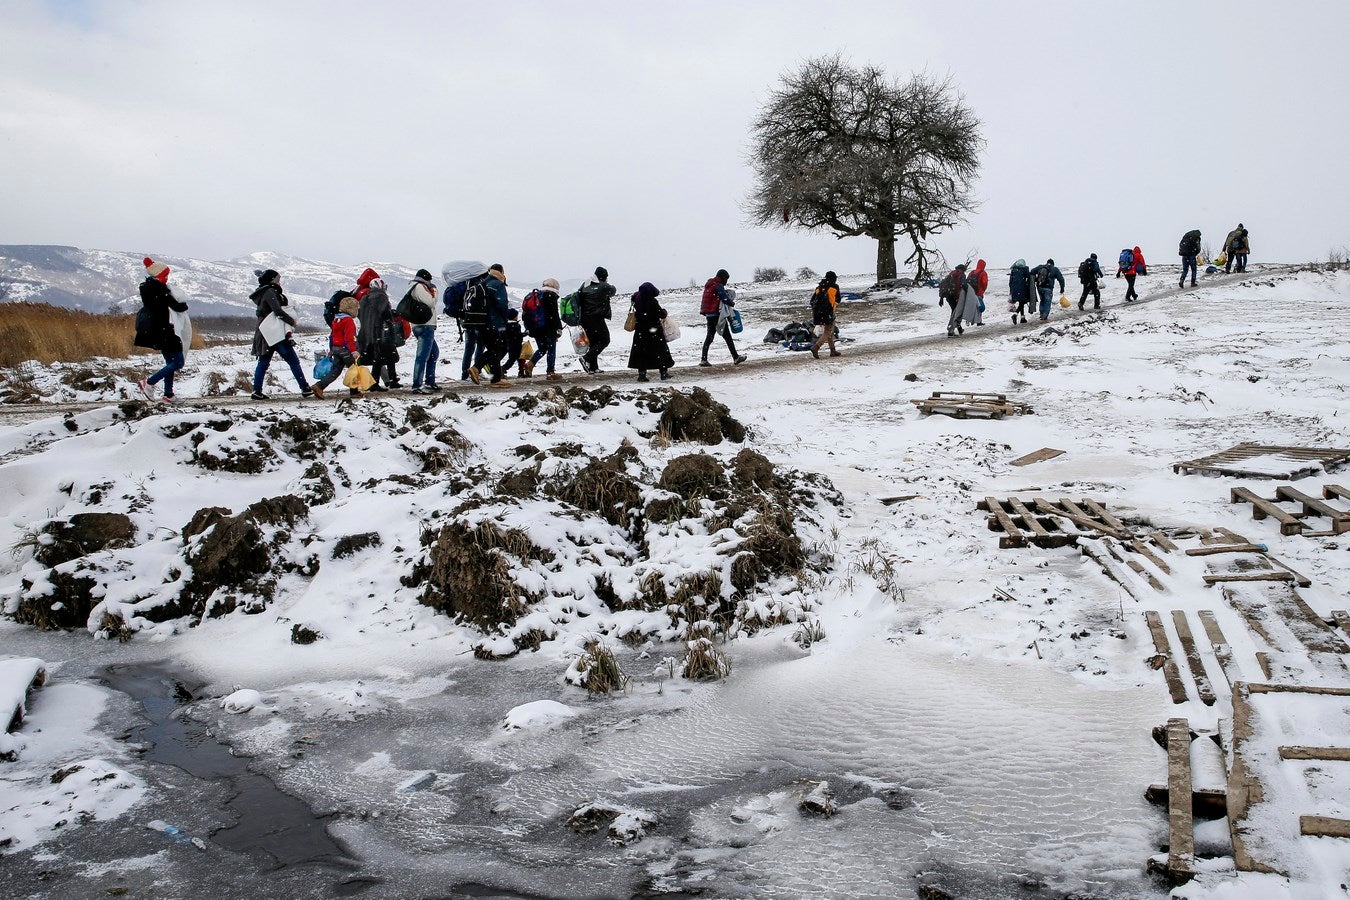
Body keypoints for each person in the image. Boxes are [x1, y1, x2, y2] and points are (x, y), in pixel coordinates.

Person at [249, 269, 314, 400]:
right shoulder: (270, 292)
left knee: (263, 362)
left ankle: (257, 390)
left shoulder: (262, 292)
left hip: (264, 333)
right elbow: (278, 311)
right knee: (293, 361)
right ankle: (305, 388)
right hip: (276, 333)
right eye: (278, 279)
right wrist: (292, 322)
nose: (280, 282)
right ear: (273, 280)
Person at [135, 257, 189, 403]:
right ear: (159, 275)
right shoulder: (159, 289)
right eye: (165, 275)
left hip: (156, 331)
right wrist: (183, 302)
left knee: (170, 362)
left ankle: (168, 394)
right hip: (165, 330)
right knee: (178, 362)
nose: (167, 278)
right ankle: (150, 382)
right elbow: (178, 306)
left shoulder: (146, 288)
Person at [470, 264, 512, 387]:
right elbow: (502, 305)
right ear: (501, 272)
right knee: (499, 349)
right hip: (494, 322)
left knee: (494, 349)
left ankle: (495, 379)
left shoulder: (483, 283)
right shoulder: (497, 284)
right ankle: (477, 368)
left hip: (482, 321)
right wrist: (505, 319)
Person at [355, 268, 396, 391]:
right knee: (378, 358)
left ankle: (369, 382)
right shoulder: (381, 298)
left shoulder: (364, 298)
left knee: (373, 357)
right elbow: (385, 315)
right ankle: (374, 383)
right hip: (377, 331)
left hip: (365, 331)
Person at [313, 295, 360, 398]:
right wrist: (353, 351)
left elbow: (332, 335)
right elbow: (350, 338)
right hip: (346, 350)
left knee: (335, 371)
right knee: (353, 368)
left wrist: (332, 349)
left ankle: (319, 386)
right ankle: (354, 391)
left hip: (337, 348)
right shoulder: (348, 321)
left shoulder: (336, 319)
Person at [626, 282, 673, 382]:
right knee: (661, 351)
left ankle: (642, 374)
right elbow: (661, 314)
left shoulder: (637, 300)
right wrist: (664, 312)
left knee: (641, 352)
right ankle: (663, 373)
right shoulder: (652, 301)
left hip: (641, 330)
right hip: (654, 330)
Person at [699, 269, 746, 366]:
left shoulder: (710, 285)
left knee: (710, 337)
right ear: (722, 277)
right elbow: (724, 298)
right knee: (727, 337)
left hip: (709, 315)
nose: (726, 282)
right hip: (716, 315)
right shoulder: (717, 285)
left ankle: (704, 359)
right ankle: (736, 357)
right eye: (726, 279)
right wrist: (731, 303)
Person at [406, 269, 440, 393]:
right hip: (425, 325)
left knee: (433, 353)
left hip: (420, 325)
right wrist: (434, 291)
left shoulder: (415, 287)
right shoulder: (419, 287)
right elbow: (431, 302)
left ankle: (430, 381)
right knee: (422, 356)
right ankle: (417, 385)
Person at [577, 266, 616, 373]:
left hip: (584, 319)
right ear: (603, 276)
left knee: (594, 342)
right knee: (604, 340)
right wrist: (607, 283)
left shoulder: (585, 284)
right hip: (596, 317)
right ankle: (586, 358)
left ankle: (593, 367)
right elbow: (613, 291)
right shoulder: (603, 285)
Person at [524, 278, 564, 381]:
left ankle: (530, 364)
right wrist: (558, 328)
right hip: (548, 328)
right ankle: (550, 372)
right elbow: (554, 314)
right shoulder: (551, 296)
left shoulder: (537, 296)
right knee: (551, 349)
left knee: (542, 348)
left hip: (536, 327)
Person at [809, 270, 842, 358]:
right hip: (828, 312)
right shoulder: (834, 287)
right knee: (828, 331)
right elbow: (838, 299)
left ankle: (833, 350)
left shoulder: (819, 287)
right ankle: (816, 347)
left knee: (829, 331)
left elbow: (812, 301)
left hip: (818, 313)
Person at [943, 262, 969, 336]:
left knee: (954, 311)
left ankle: (959, 328)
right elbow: (963, 284)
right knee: (956, 313)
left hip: (949, 296)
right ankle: (951, 331)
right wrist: (968, 292)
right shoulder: (962, 274)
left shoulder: (952, 273)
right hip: (956, 296)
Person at [1008, 259, 1032, 324]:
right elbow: (1029, 277)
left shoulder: (1013, 270)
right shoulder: (1025, 269)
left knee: (1021, 302)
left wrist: (1011, 290)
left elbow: (1010, 281)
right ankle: (1015, 315)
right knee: (1022, 302)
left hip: (1014, 289)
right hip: (1022, 289)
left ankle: (1022, 318)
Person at [504, 308, 526, 377]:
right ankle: (504, 369)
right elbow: (518, 335)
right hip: (517, 345)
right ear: (514, 317)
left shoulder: (506, 325)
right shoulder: (516, 325)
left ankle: (503, 369)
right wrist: (525, 334)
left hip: (510, 345)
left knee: (512, 359)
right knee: (520, 358)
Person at [968, 259, 989, 325]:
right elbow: (984, 282)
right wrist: (983, 289)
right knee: (980, 307)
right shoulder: (983, 273)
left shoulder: (972, 272)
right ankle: (979, 321)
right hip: (979, 292)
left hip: (971, 292)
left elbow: (967, 281)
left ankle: (972, 320)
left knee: (973, 306)